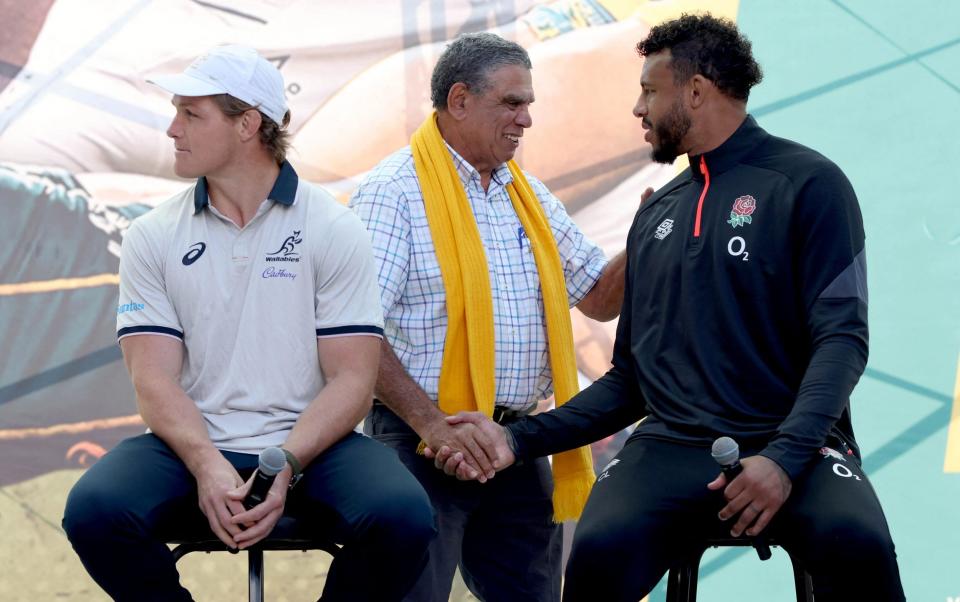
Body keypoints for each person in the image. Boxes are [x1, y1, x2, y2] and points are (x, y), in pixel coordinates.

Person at [432, 14, 906, 601]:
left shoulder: (809, 182)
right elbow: (630, 381)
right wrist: (518, 440)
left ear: (697, 91)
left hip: (798, 444)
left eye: (649, 91)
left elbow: (843, 340)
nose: (638, 108)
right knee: (599, 551)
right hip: (670, 445)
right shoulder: (657, 215)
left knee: (859, 542)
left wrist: (783, 459)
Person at [61, 44, 435, 602]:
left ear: (247, 124)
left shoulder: (335, 226)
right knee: (92, 511)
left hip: (314, 447)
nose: (171, 129)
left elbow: (354, 382)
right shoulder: (152, 235)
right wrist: (207, 464)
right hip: (190, 443)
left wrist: (286, 461)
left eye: (192, 113)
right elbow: (153, 380)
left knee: (404, 517)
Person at [349, 32, 634, 602]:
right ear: (459, 100)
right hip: (419, 443)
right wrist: (435, 428)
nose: (527, 119)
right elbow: (358, 335)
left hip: (513, 444)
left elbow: (599, 299)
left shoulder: (526, 194)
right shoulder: (392, 192)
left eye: (528, 104)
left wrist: (648, 234)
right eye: (512, 103)